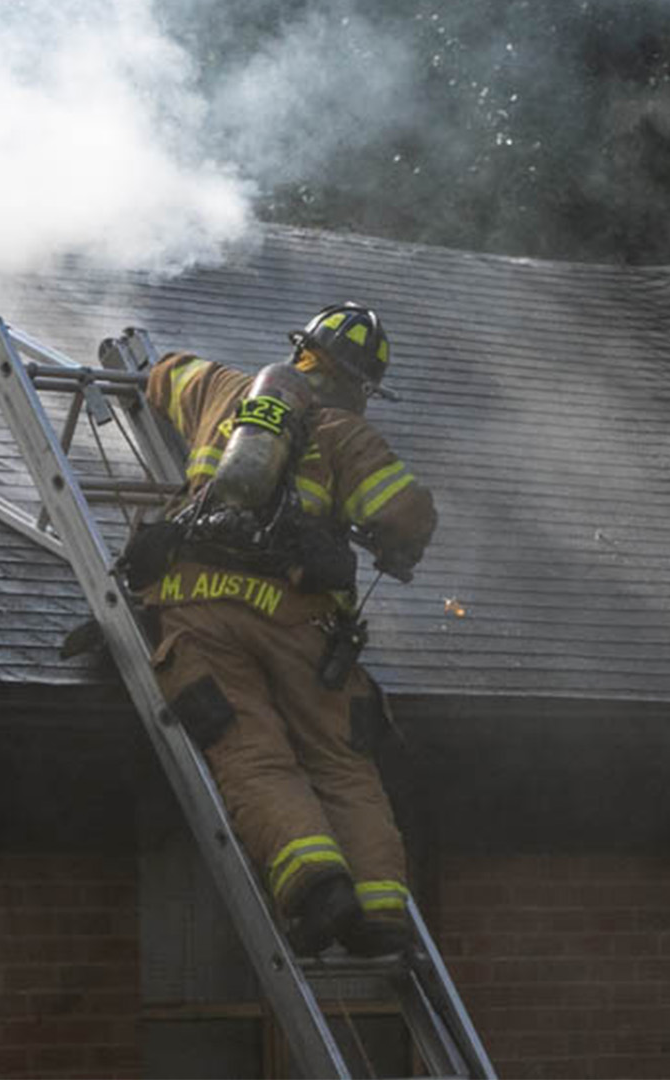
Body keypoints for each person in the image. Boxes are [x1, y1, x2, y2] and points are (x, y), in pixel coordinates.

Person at [123, 303, 437, 957]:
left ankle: (317, 889)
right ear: (361, 383)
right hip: (300, 622)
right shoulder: (348, 435)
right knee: (345, 767)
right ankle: (381, 910)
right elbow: (406, 515)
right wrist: (390, 544)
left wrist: (148, 368)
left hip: (196, 607)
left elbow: (162, 377)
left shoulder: (224, 389)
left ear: (301, 354)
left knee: (251, 755)